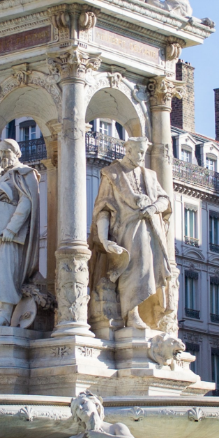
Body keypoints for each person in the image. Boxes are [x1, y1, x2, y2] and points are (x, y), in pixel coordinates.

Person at [88, 136, 172, 329]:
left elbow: (165, 200)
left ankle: (136, 313)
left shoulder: (149, 175)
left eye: (144, 152)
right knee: (131, 267)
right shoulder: (112, 174)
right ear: (129, 150)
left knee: (146, 268)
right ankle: (131, 314)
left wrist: (153, 208)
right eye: (140, 152)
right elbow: (103, 209)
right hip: (124, 230)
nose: (142, 156)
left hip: (149, 229)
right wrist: (103, 238)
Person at [0, 138, 41, 327]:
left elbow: (27, 202)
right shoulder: (4, 177)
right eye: (1, 152)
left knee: (5, 273)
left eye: (7, 151)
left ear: (17, 153)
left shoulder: (24, 173)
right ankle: (1, 313)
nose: (3, 156)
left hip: (11, 235)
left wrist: (12, 228)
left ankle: (4, 315)